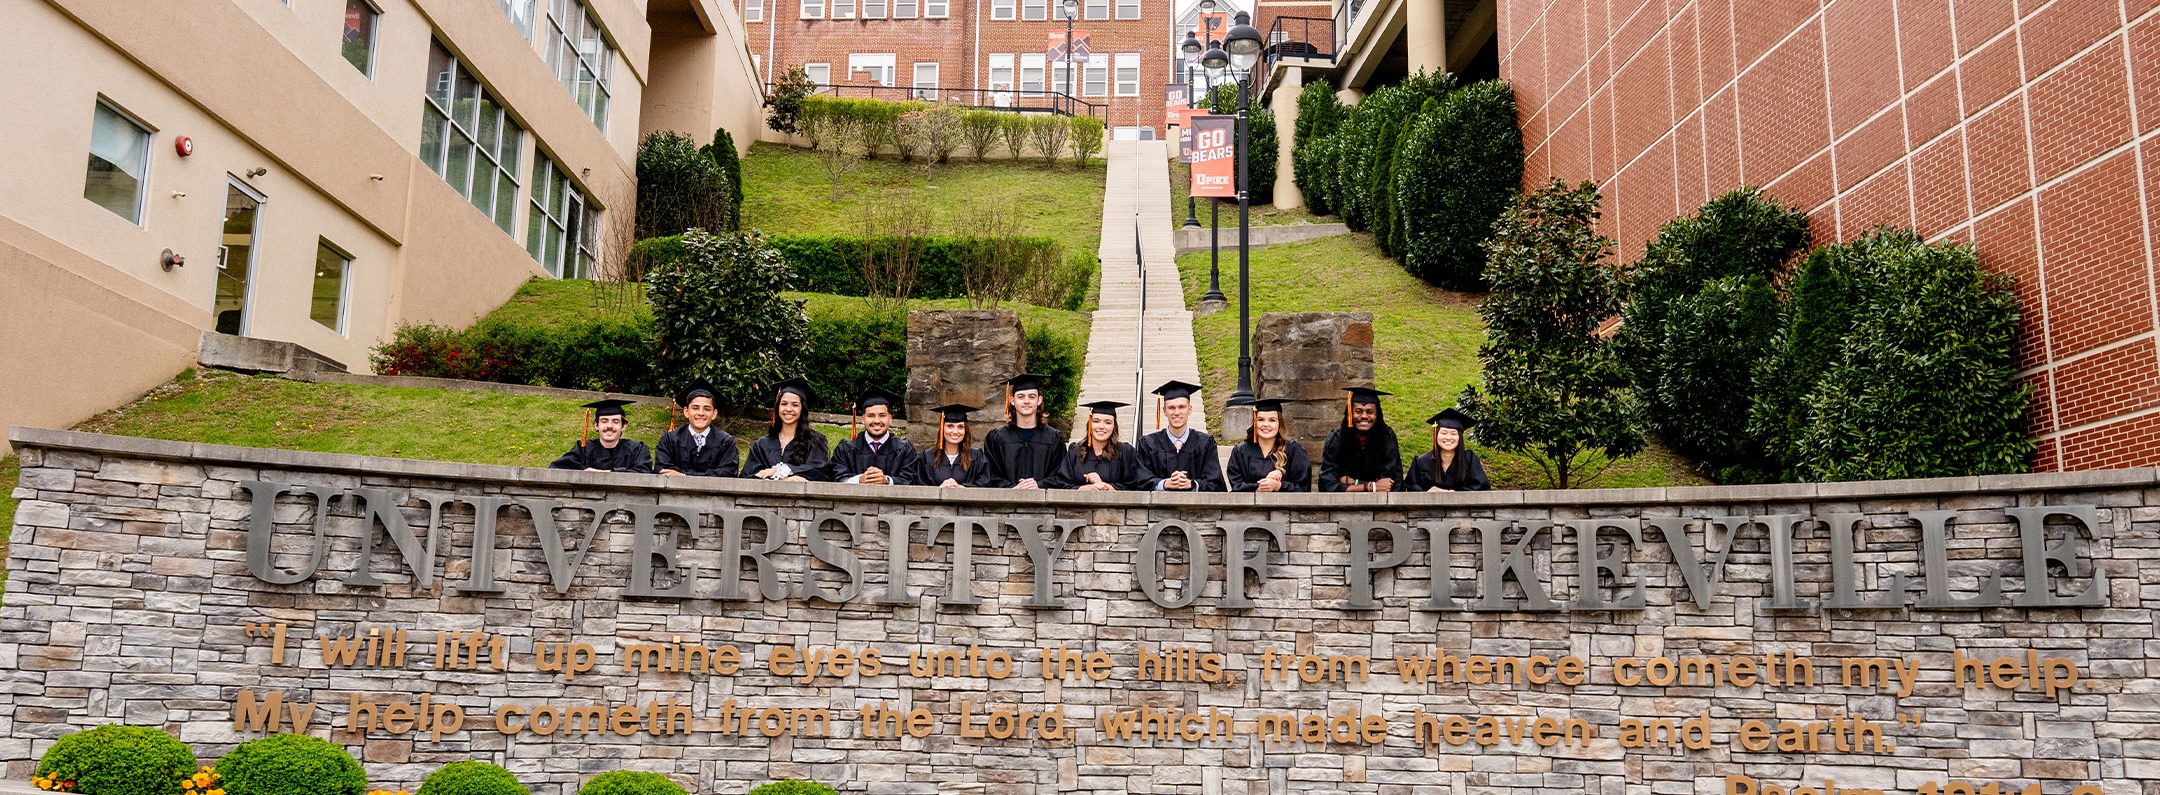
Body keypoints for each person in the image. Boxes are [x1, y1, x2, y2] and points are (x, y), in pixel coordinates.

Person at [980, 373, 1068, 489]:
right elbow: (991, 475)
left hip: (1044, 505)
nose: (1026, 401)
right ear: (1012, 400)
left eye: (1032, 396)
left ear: (1039, 400)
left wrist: (1039, 485)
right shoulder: (997, 439)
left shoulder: (1054, 439)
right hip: (1006, 504)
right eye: (1021, 397)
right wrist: (1012, 488)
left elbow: (1061, 475)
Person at [1135, 379, 1225, 492]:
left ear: (1190, 409)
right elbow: (1140, 481)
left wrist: (1192, 484)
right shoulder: (1148, 443)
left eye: (1181, 407)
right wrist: (1164, 484)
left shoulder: (1205, 443)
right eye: (1171, 408)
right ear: (1164, 411)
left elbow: (1215, 483)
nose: (1177, 412)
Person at [830, 385, 930, 486]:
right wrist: (859, 480)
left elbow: (912, 479)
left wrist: (887, 480)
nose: (877, 421)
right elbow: (835, 477)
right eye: (871, 416)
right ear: (863, 419)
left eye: (882, 415)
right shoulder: (845, 449)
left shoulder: (905, 449)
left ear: (890, 419)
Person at [1049, 400, 1155, 490]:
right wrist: (1086, 488)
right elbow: (1061, 483)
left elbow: (1134, 486)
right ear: (1089, 424)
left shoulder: (1125, 453)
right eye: (1096, 421)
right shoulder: (1075, 452)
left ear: (1114, 427)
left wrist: (1105, 486)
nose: (1101, 426)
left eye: (1108, 422)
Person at [744, 377, 833, 482]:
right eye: (784, 404)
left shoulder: (815, 441)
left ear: (802, 409)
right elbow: (746, 477)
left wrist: (786, 470)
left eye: (795, 405)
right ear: (777, 407)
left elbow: (820, 471)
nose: (788, 409)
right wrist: (776, 479)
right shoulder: (761, 445)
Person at [1319, 386, 1402, 493]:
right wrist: (1370, 487)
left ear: (1378, 415)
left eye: (1370, 412)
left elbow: (1389, 485)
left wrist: (1354, 483)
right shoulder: (1337, 439)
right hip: (1342, 506)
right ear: (1350, 414)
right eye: (1358, 411)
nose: (1364, 416)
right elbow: (1327, 486)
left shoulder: (1386, 438)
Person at [655, 378, 740, 477]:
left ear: (714, 414)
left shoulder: (726, 442)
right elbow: (662, 470)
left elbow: (729, 473)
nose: (701, 413)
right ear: (686, 412)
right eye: (695, 408)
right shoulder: (669, 440)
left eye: (707, 409)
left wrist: (684, 476)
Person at [1226, 397, 1311, 492]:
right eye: (1261, 419)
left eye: (1272, 420)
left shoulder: (1294, 450)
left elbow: (1303, 488)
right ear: (1254, 422)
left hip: (1283, 506)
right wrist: (1263, 486)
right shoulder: (1240, 452)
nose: (1266, 424)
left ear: (1279, 423)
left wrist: (1278, 485)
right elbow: (1237, 487)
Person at [549, 398, 655, 473]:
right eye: (604, 421)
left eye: (615, 421)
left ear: (623, 426)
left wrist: (607, 473)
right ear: (596, 425)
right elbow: (556, 468)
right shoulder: (583, 449)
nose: (609, 426)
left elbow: (645, 472)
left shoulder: (637, 450)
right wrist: (584, 471)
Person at [1405, 407, 1490, 492]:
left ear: (1459, 437)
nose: (1448, 437)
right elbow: (1411, 488)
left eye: (1453, 433)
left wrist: (1453, 495)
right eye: (1444, 433)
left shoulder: (1469, 459)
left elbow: (1481, 488)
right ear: (1436, 435)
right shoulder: (1421, 462)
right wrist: (1429, 493)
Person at [922, 403, 989, 488]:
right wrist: (939, 490)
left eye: (960, 427)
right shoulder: (928, 457)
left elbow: (985, 484)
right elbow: (920, 486)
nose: (955, 431)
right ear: (942, 428)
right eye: (950, 426)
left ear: (965, 430)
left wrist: (962, 488)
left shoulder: (976, 457)